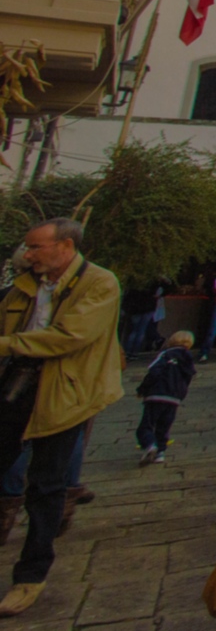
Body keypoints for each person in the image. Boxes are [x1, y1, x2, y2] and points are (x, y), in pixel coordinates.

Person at [0, 219, 121, 617]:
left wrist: (6, 344)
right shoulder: (27, 282)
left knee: (47, 485)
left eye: (36, 246)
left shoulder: (101, 283)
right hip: (17, 382)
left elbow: (70, 336)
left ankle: (30, 576)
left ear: (64, 246)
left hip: (65, 392)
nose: (28, 252)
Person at [135, 331, 198, 464]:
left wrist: (143, 389)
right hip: (174, 398)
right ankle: (160, 452)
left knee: (146, 425)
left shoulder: (165, 354)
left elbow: (154, 372)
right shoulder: (188, 358)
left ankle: (150, 444)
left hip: (156, 394)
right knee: (164, 426)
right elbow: (188, 377)